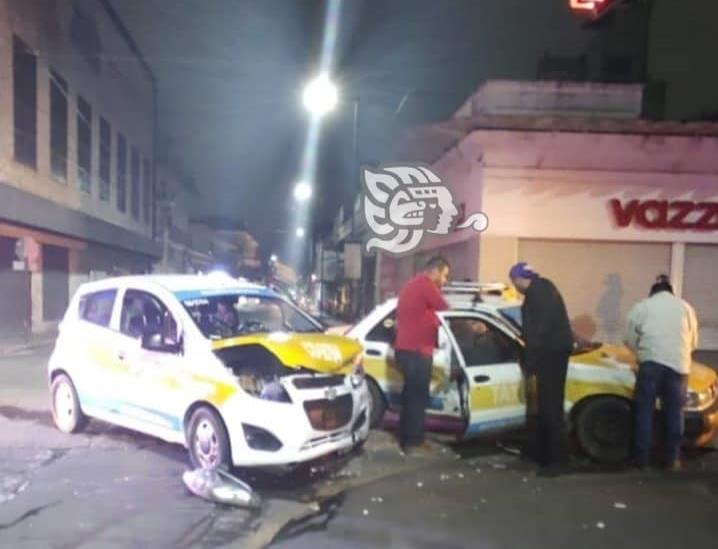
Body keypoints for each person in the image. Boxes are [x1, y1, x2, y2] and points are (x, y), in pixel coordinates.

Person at [624, 276, 699, 471]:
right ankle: (672, 459)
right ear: (671, 291)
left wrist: (640, 354)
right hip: (679, 366)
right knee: (675, 413)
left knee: (645, 412)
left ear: (652, 292)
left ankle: (642, 461)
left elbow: (629, 338)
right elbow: (694, 341)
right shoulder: (686, 308)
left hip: (651, 364)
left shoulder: (643, 307)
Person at [509, 262, 573, 476]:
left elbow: (538, 331)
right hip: (555, 353)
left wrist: (530, 362)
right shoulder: (546, 288)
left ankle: (555, 462)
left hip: (549, 356)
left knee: (550, 409)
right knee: (549, 407)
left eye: (514, 282)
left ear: (518, 279)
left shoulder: (537, 294)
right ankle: (545, 456)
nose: (515, 287)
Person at [394, 255, 450, 457]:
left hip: (409, 349)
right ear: (433, 271)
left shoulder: (415, 284)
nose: (444, 281)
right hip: (416, 351)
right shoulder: (425, 285)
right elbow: (445, 309)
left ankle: (409, 437)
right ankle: (413, 442)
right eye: (444, 276)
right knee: (417, 397)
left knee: (411, 396)